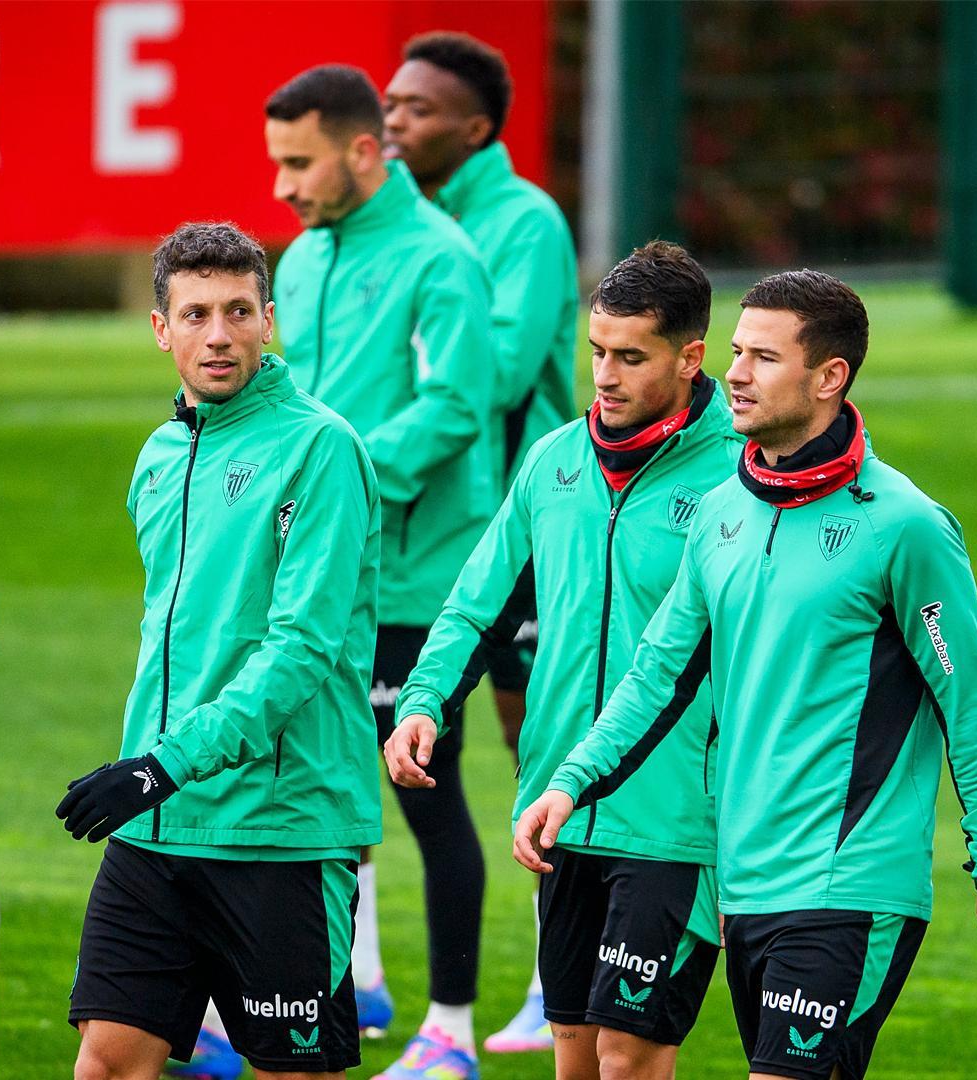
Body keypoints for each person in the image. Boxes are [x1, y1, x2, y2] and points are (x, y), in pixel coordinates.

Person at [515, 270, 977, 1080]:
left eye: (763, 357)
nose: (733, 373)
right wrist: (571, 782)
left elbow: (968, 711)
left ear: (830, 377)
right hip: (745, 881)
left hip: (851, 881)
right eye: (735, 351)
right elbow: (659, 675)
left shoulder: (905, 528)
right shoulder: (725, 510)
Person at [385, 241, 736, 1080]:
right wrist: (424, 701)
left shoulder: (740, 479)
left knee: (628, 1058)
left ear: (690, 359)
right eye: (596, 354)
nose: (604, 377)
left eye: (630, 357)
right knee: (575, 1058)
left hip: (676, 819)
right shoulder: (552, 462)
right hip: (558, 807)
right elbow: (478, 604)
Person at [60, 222, 383, 1080]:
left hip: (276, 828)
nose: (218, 334)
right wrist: (153, 773)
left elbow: (302, 648)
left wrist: (164, 763)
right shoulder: (160, 456)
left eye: (238, 311)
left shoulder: (322, 449)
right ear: (161, 327)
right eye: (195, 313)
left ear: (268, 320)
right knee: (107, 1062)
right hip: (156, 824)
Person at [263, 63, 499, 1079]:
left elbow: (454, 410)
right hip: (330, 577)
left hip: (423, 581)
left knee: (422, 788)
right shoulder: (308, 258)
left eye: (298, 162)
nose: (282, 186)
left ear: (364, 151)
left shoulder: (443, 260)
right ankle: (337, 992)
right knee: (319, 789)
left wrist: (336, 486)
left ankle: (453, 1030)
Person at [382, 31, 579, 1057]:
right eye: (388, 102)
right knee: (391, 741)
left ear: (475, 127)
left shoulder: (522, 222)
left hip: (531, 530)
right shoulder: (392, 224)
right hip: (435, 539)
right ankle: (368, 977)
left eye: (417, 107)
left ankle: (563, 979)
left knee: (539, 745)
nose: (394, 119)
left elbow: (496, 380)